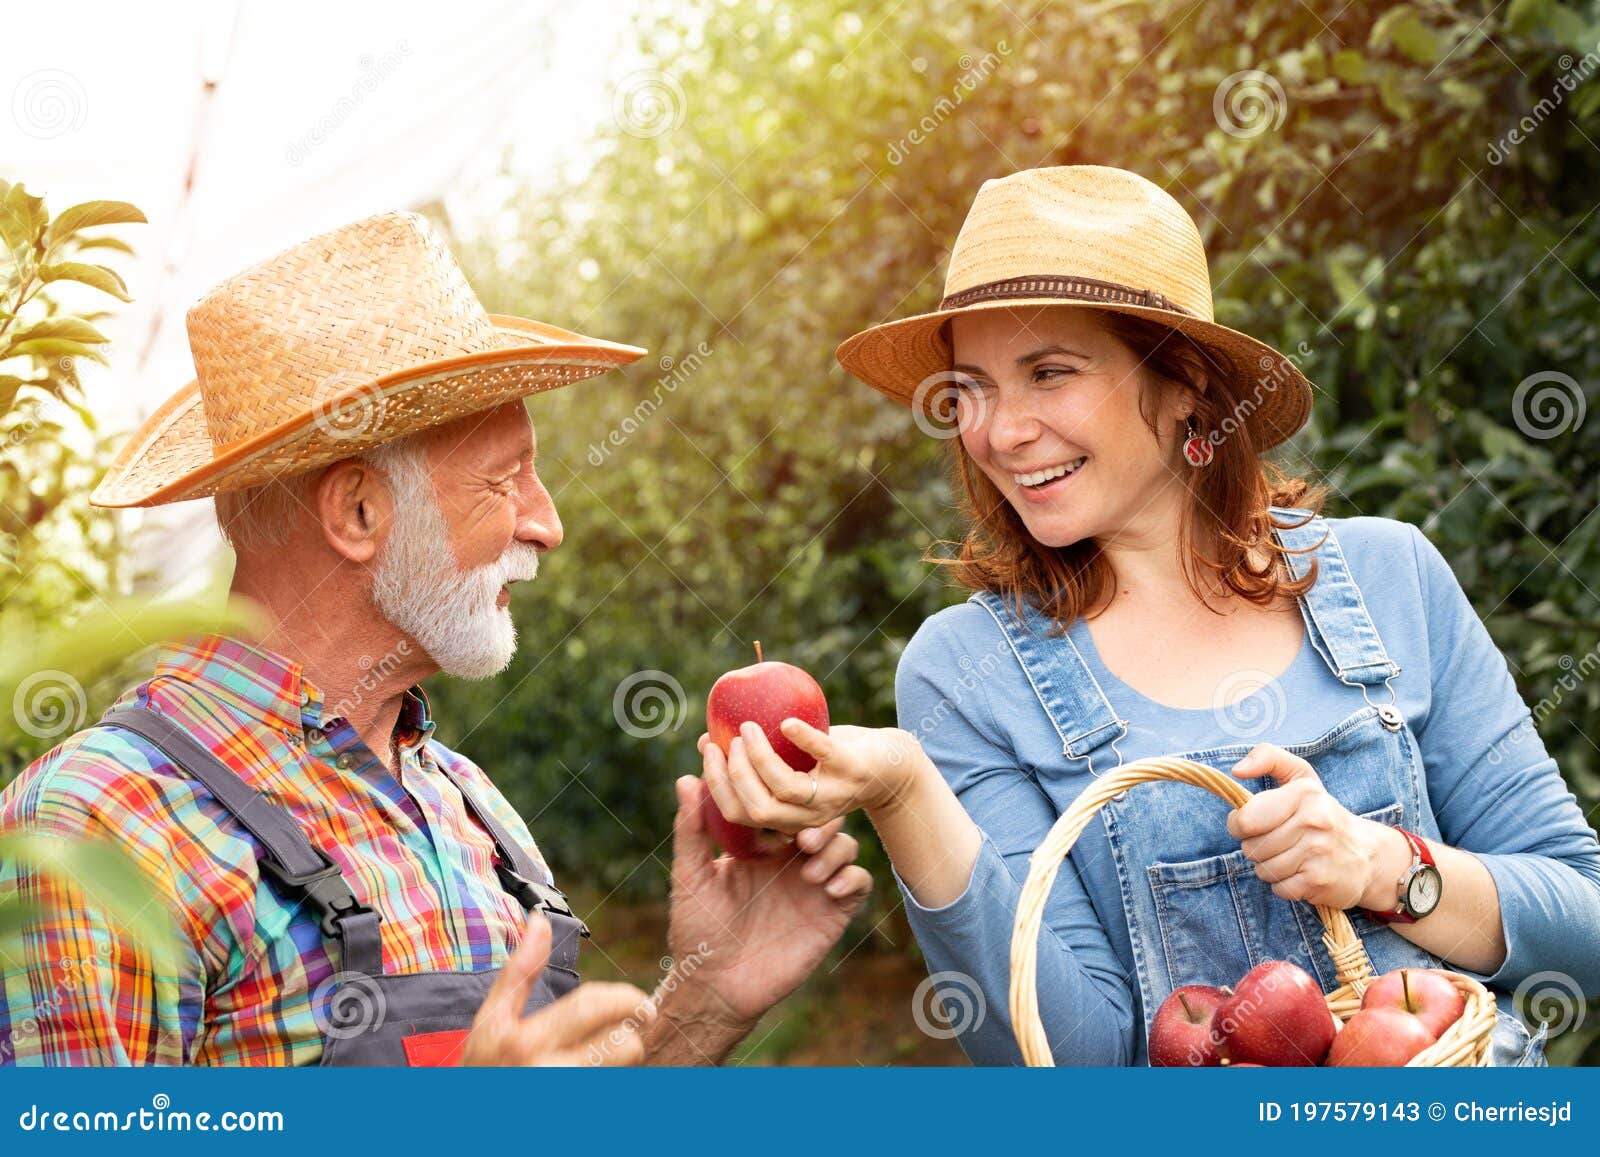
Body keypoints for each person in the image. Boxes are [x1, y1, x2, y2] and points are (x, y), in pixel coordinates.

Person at [697, 165, 1600, 1066]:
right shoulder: (968, 669)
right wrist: (904, 791)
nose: (998, 431)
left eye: (1050, 372)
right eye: (971, 387)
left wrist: (1384, 866)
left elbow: (1587, 921)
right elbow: (1073, 1067)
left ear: (1186, 388)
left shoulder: (1388, 575)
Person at [0, 211, 871, 1066]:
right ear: (359, 510)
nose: (548, 523)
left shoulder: (464, 803)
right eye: (504, 481)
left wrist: (701, 1000)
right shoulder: (103, 821)